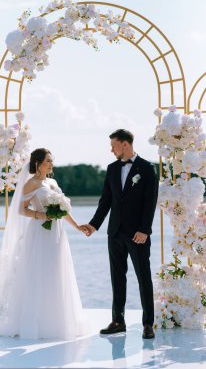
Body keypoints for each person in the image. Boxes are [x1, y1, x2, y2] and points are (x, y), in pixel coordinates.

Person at [0, 148, 89, 340]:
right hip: (40, 232)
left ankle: (57, 320)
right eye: (48, 161)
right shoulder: (31, 183)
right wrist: (40, 215)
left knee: (57, 271)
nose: (51, 164)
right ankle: (36, 321)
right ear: (37, 164)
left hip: (57, 233)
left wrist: (77, 226)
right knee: (39, 272)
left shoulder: (52, 182)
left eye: (52, 161)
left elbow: (63, 209)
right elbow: (21, 209)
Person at [81, 129, 158, 339]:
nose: (111, 149)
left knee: (144, 277)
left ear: (125, 144)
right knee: (117, 278)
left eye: (113, 145)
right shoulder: (112, 169)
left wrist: (144, 230)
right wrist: (94, 225)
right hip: (114, 233)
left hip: (137, 234)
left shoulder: (147, 169)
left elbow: (150, 203)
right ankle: (118, 321)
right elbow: (106, 201)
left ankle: (148, 324)